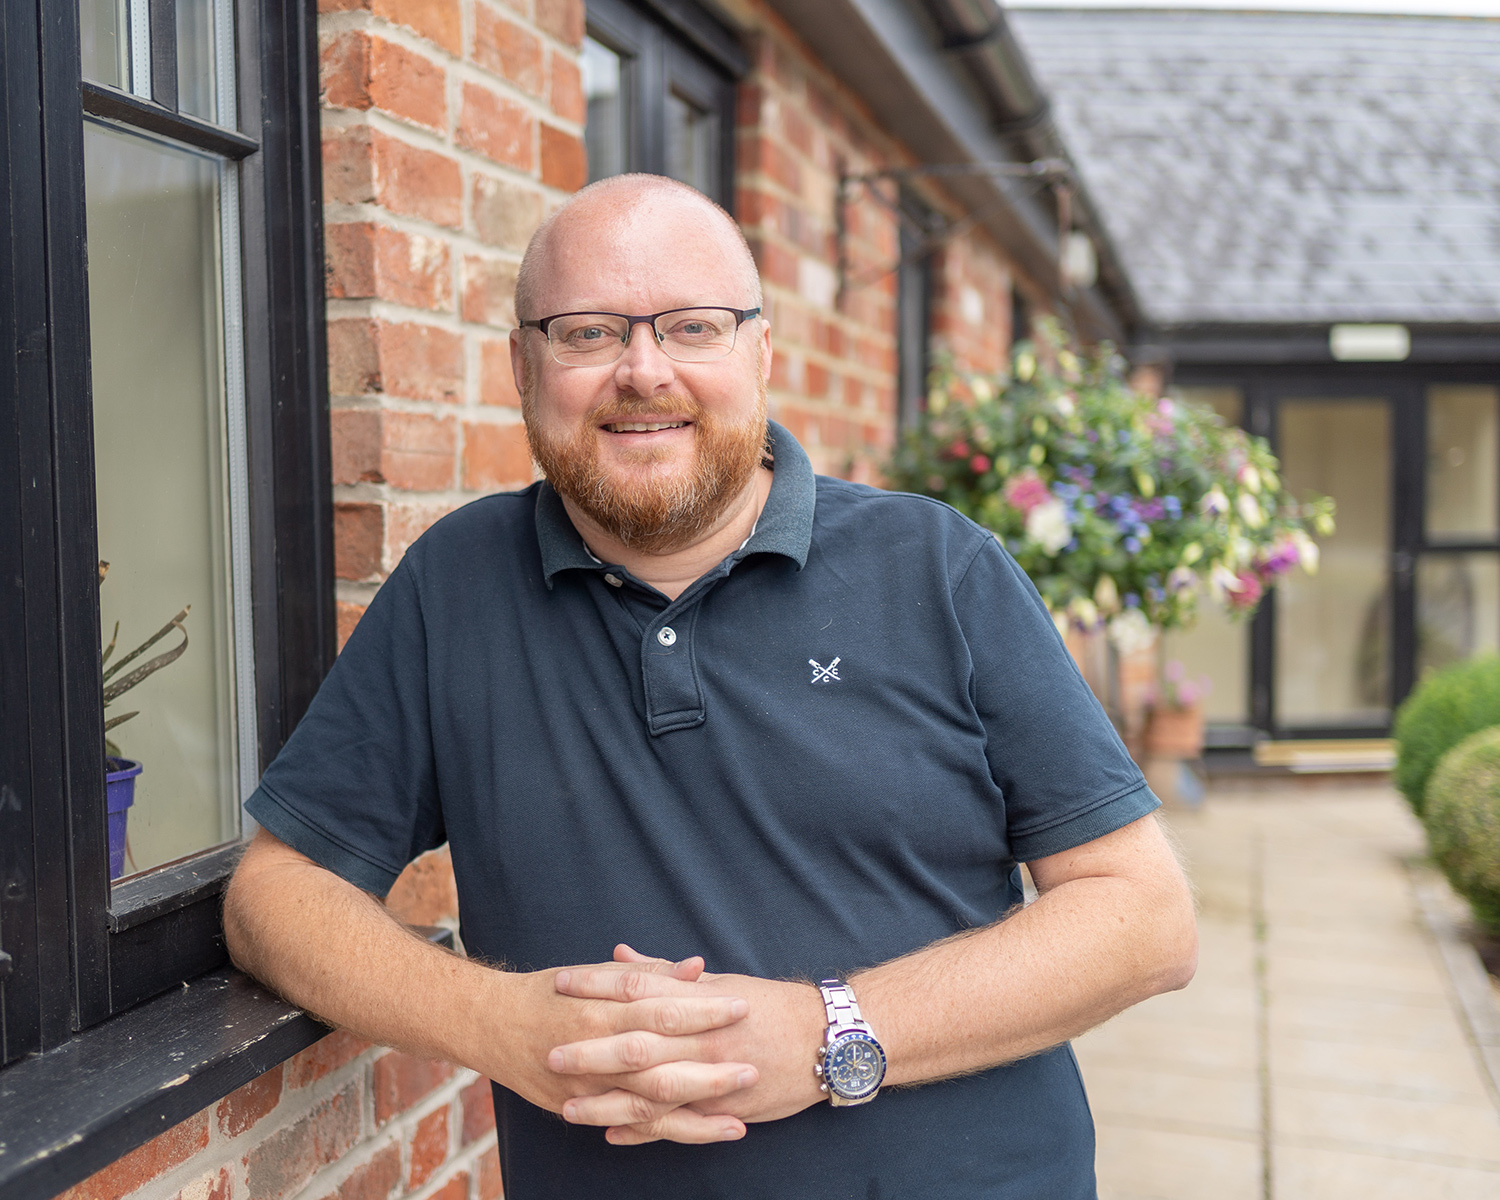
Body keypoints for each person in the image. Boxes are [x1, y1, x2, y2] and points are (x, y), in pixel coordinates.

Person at [225, 173, 1197, 1199]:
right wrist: (499, 1023)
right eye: (588, 332)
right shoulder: (457, 588)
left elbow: (1142, 917)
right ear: (522, 364)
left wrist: (827, 1033)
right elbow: (273, 897)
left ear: (760, 353)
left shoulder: (936, 568)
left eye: (693, 327)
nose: (644, 372)